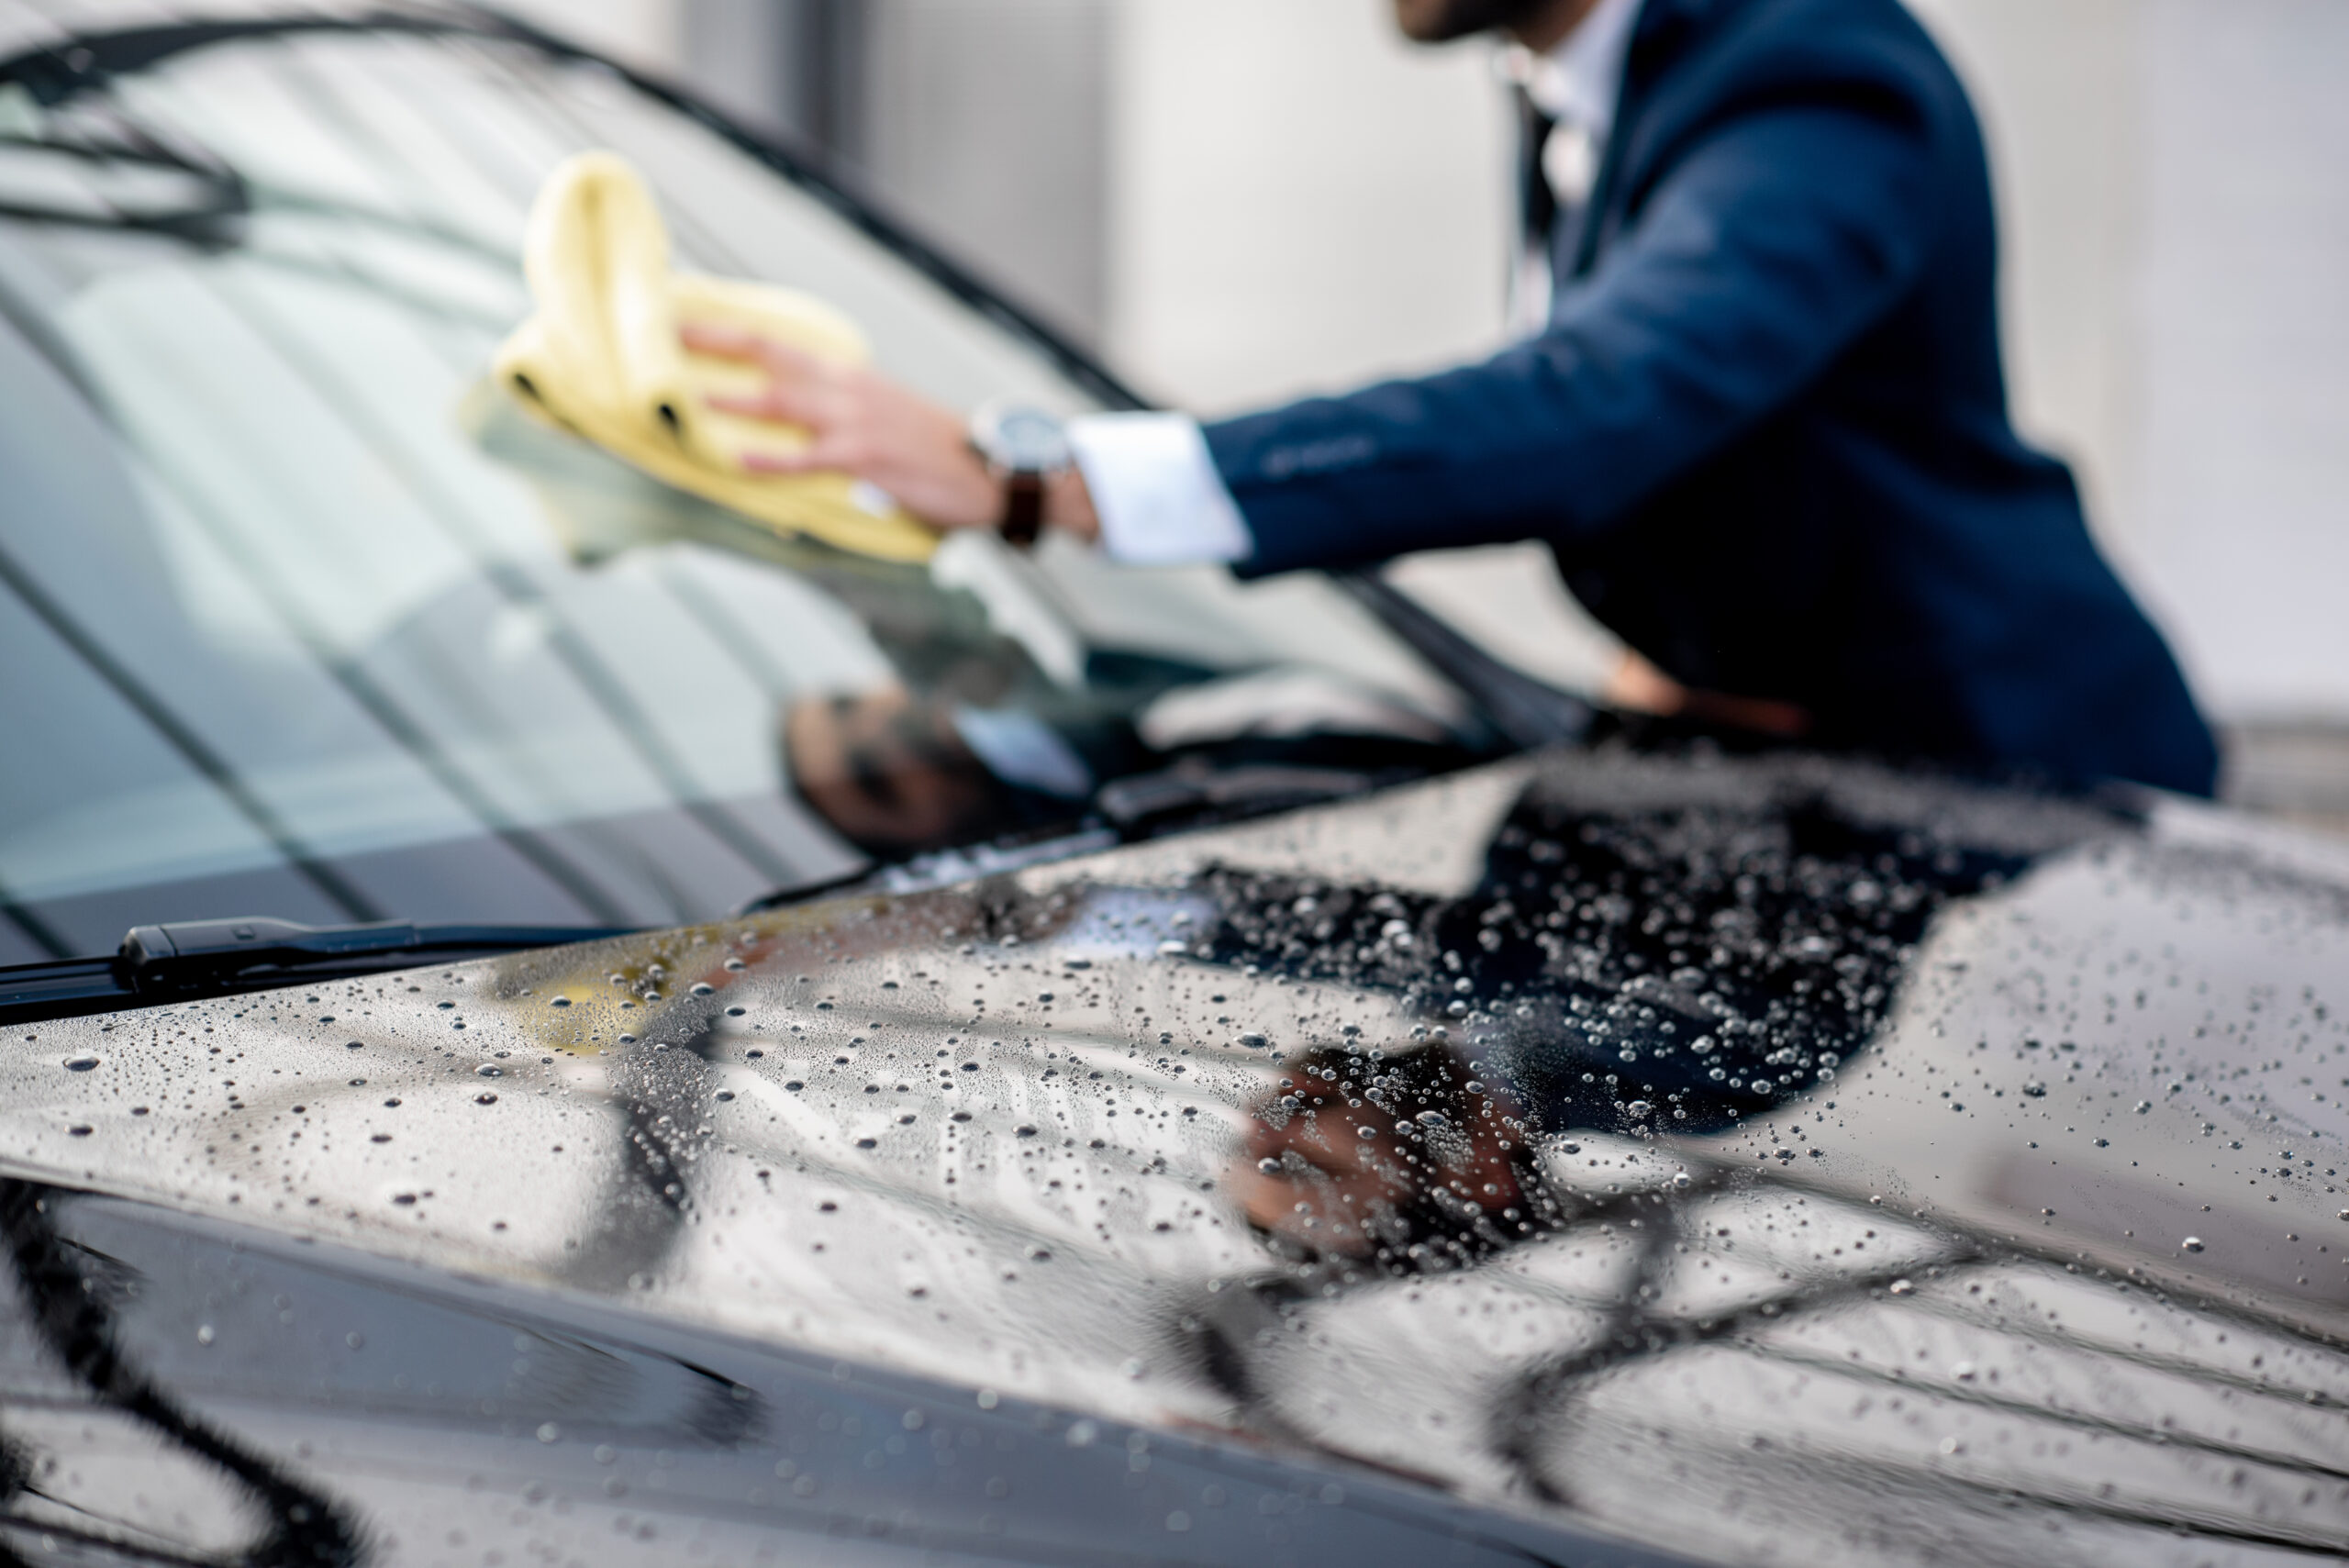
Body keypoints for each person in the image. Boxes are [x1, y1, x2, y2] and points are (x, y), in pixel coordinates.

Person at [684, 0, 2221, 798]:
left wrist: (1046, 482)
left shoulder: (1814, 79)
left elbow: (1605, 393)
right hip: (1775, 757)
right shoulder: (1581, 78)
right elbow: (1720, 428)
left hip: (2027, 784)